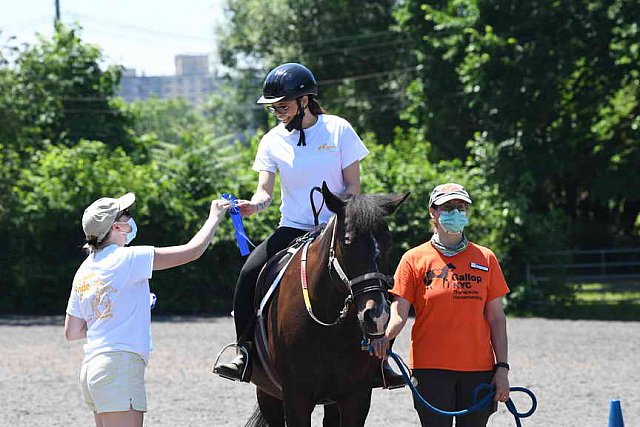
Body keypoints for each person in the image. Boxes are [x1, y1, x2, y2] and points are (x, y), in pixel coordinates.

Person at [213, 62, 404, 388]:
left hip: (339, 226)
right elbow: (264, 193)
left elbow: (353, 187)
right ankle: (244, 351)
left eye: (282, 105)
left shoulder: (339, 129)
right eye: (273, 107)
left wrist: (336, 218)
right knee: (248, 274)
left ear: (304, 101)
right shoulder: (271, 140)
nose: (277, 111)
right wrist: (250, 206)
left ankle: (379, 357)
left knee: (371, 275)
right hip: (292, 228)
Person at [65, 192, 229, 427]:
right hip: (119, 367)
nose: (131, 219)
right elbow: (193, 251)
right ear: (117, 226)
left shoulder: (84, 269)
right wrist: (215, 216)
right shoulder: (129, 257)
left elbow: (72, 331)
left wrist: (116, 313)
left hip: (91, 370)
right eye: (127, 215)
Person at [371, 183, 511, 427]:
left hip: (479, 370)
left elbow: (497, 318)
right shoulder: (413, 259)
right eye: (448, 207)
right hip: (430, 370)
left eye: (461, 207)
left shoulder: (486, 258)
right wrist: (385, 335)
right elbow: (399, 311)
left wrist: (502, 369)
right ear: (433, 212)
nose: (456, 213)